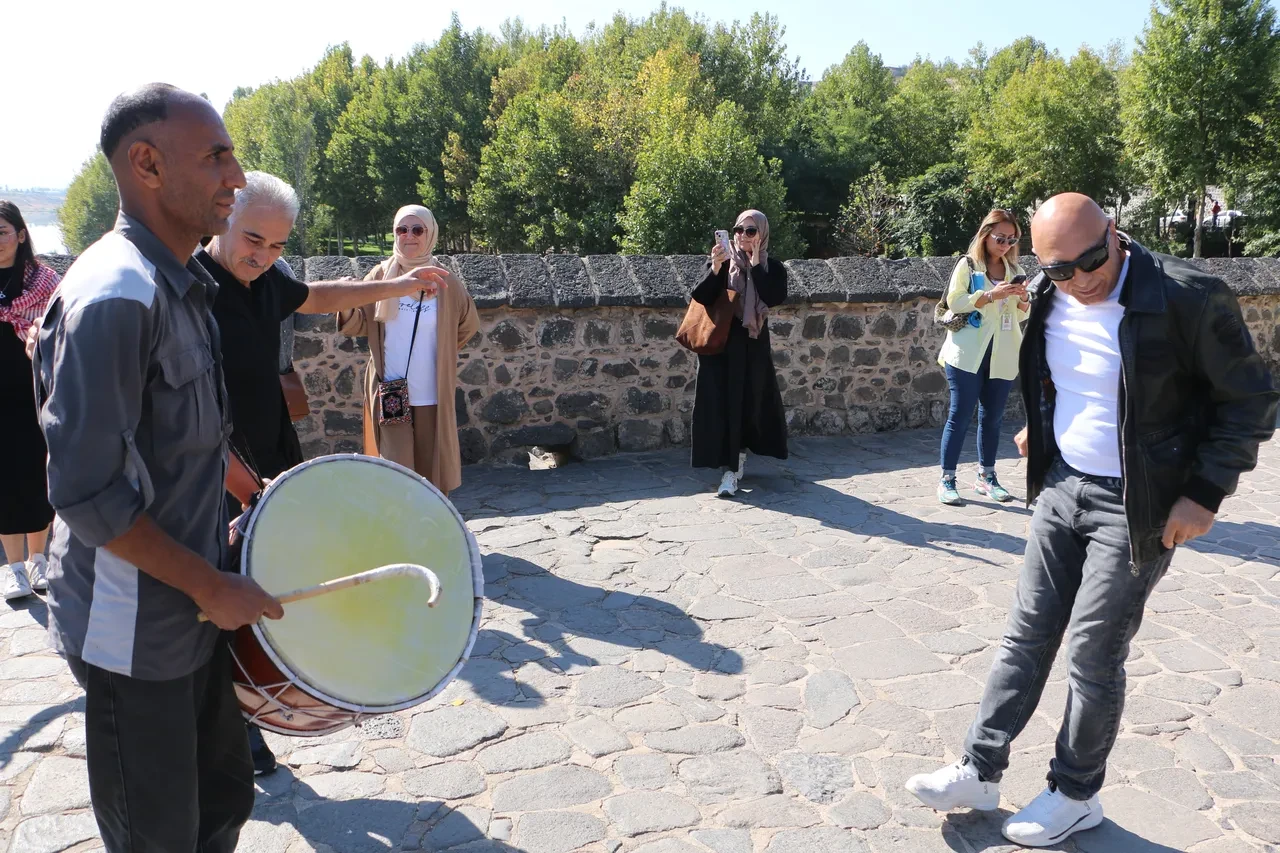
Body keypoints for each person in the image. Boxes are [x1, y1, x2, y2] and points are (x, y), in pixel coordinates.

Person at [906, 193, 1278, 847]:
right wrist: (1039, 430)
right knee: (1026, 634)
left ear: (1114, 233)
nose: (1081, 279)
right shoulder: (1047, 293)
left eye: (1091, 260)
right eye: (1061, 269)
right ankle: (980, 769)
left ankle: (1076, 793)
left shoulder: (1187, 295)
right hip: (1060, 488)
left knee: (1092, 652)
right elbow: (1057, 370)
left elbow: (1250, 398)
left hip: (1139, 501)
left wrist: (1204, 492)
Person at [33, 83, 284, 853]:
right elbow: (88, 494)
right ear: (145, 163)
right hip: (133, 632)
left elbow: (189, 439)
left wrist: (251, 495)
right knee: (158, 838)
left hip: (196, 617)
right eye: (215, 155)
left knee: (219, 810)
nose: (236, 176)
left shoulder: (185, 283)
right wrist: (214, 585)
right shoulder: (116, 294)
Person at [197, 171, 446, 774]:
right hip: (216, 476)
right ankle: (236, 727)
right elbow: (188, 421)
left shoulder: (266, 278)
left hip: (270, 456)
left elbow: (316, 296)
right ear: (222, 219)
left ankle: (251, 713)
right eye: (254, 240)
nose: (264, 256)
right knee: (224, 596)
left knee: (276, 576)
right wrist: (248, 490)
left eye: (278, 246)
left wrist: (401, 281)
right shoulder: (189, 287)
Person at [338, 205, 478, 495]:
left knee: (431, 472)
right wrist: (346, 299)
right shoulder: (380, 277)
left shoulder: (446, 282)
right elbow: (357, 324)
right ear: (394, 234)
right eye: (402, 229)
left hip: (430, 392)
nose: (409, 236)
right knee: (396, 472)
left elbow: (467, 324)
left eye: (417, 230)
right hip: (392, 391)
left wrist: (443, 355)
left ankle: (430, 529)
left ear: (430, 234)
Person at [690, 210, 788, 497]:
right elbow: (699, 295)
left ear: (762, 234)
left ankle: (739, 456)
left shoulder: (773, 267)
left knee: (749, 403)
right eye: (738, 230)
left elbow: (774, 297)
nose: (743, 236)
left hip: (753, 346)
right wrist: (717, 269)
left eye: (750, 231)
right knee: (721, 403)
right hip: (720, 347)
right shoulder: (722, 261)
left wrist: (757, 266)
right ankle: (729, 471)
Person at [935, 209, 1030, 506]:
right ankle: (947, 479)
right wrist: (990, 296)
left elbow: (1017, 314)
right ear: (985, 235)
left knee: (993, 419)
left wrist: (1024, 298)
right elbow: (955, 301)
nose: (1005, 244)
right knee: (960, 416)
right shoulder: (968, 265)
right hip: (967, 354)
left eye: (1011, 239)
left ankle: (986, 478)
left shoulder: (1014, 270)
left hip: (1002, 354)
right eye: (1000, 238)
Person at [0, 201, 60, 600]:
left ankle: (39, 561)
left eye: (3, 231)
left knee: (39, 474)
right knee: (3, 479)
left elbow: (62, 330)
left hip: (36, 391)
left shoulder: (45, 281)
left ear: (21, 234)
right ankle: (14, 568)